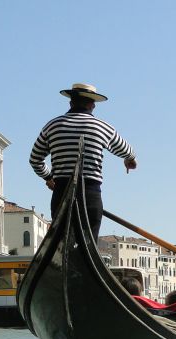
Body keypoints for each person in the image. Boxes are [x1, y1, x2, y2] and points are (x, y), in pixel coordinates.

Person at [29, 82, 137, 239]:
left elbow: (35, 159)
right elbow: (127, 150)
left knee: (61, 240)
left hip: (61, 193)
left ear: (70, 102)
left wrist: (48, 177)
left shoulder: (52, 126)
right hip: (90, 195)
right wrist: (130, 160)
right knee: (87, 242)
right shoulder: (103, 127)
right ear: (92, 104)